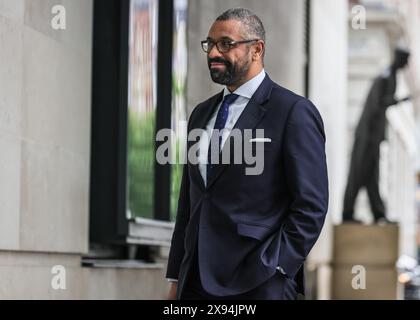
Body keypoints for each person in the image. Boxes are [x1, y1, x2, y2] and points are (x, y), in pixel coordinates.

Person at [166, 8, 328, 300]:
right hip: (196, 284)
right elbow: (189, 203)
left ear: (257, 49)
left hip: (258, 281)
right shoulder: (201, 114)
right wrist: (177, 277)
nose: (214, 52)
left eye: (226, 44)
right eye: (210, 44)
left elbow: (311, 207)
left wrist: (277, 267)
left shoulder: (292, 112)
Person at [342, 48, 411, 224]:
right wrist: (399, 100)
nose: (407, 64)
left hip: (372, 136)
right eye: (406, 60)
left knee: (372, 175)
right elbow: (378, 103)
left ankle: (378, 213)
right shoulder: (386, 76)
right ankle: (348, 212)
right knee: (358, 173)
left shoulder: (391, 75)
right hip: (367, 136)